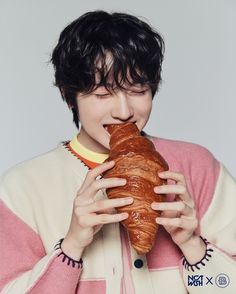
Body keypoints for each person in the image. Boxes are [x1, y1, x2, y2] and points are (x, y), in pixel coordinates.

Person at [0, 10, 235, 294]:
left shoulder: (197, 168)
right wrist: (71, 247)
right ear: (68, 96)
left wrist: (193, 247)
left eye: (138, 90)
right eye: (102, 94)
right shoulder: (22, 189)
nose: (124, 112)